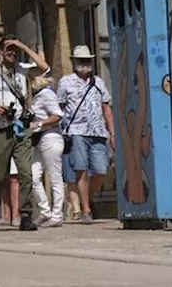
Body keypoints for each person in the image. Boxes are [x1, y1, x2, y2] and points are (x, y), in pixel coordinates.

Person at [0, 34, 49, 231]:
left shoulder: (22, 70)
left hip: (21, 129)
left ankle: (25, 216)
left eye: (14, 50)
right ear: (1, 51)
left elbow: (44, 68)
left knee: (26, 172)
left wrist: (23, 46)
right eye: (8, 48)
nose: (12, 52)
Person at [57, 44, 113, 224]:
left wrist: (112, 132)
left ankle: (85, 199)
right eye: (80, 60)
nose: (84, 63)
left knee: (101, 170)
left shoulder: (98, 82)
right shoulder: (65, 82)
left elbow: (106, 107)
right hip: (76, 132)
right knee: (81, 171)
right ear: (74, 62)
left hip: (98, 131)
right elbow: (60, 108)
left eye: (87, 60)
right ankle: (87, 210)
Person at [28, 74, 64, 227]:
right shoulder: (36, 97)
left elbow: (57, 115)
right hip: (39, 140)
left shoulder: (47, 94)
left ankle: (57, 215)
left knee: (55, 176)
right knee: (33, 176)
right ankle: (45, 211)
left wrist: (39, 123)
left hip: (51, 137)